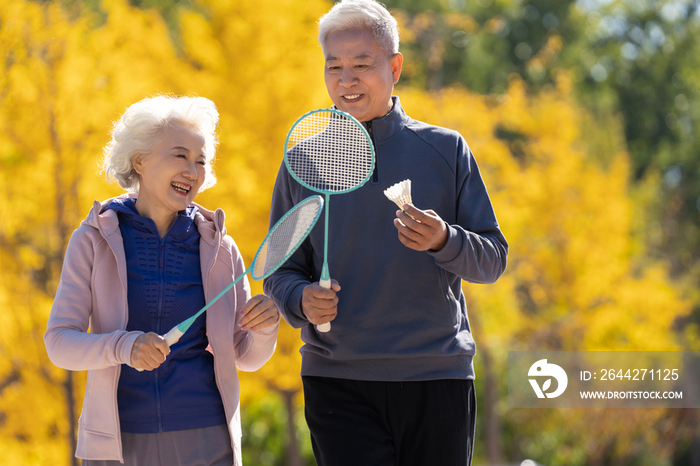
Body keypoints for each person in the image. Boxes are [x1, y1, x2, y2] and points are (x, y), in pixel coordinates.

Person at [263, 1, 509, 465]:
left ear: (394, 67)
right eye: (333, 66)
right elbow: (278, 270)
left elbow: (493, 259)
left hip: (437, 376)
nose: (346, 79)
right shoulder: (304, 162)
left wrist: (444, 241)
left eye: (361, 64)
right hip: (337, 381)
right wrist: (300, 300)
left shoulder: (445, 149)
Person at [44, 95, 280, 466]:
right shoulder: (92, 240)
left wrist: (265, 328)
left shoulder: (219, 247)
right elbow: (59, 342)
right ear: (140, 160)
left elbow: (245, 356)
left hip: (206, 439)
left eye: (201, 161)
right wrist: (125, 347)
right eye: (180, 155)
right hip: (117, 443)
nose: (193, 170)